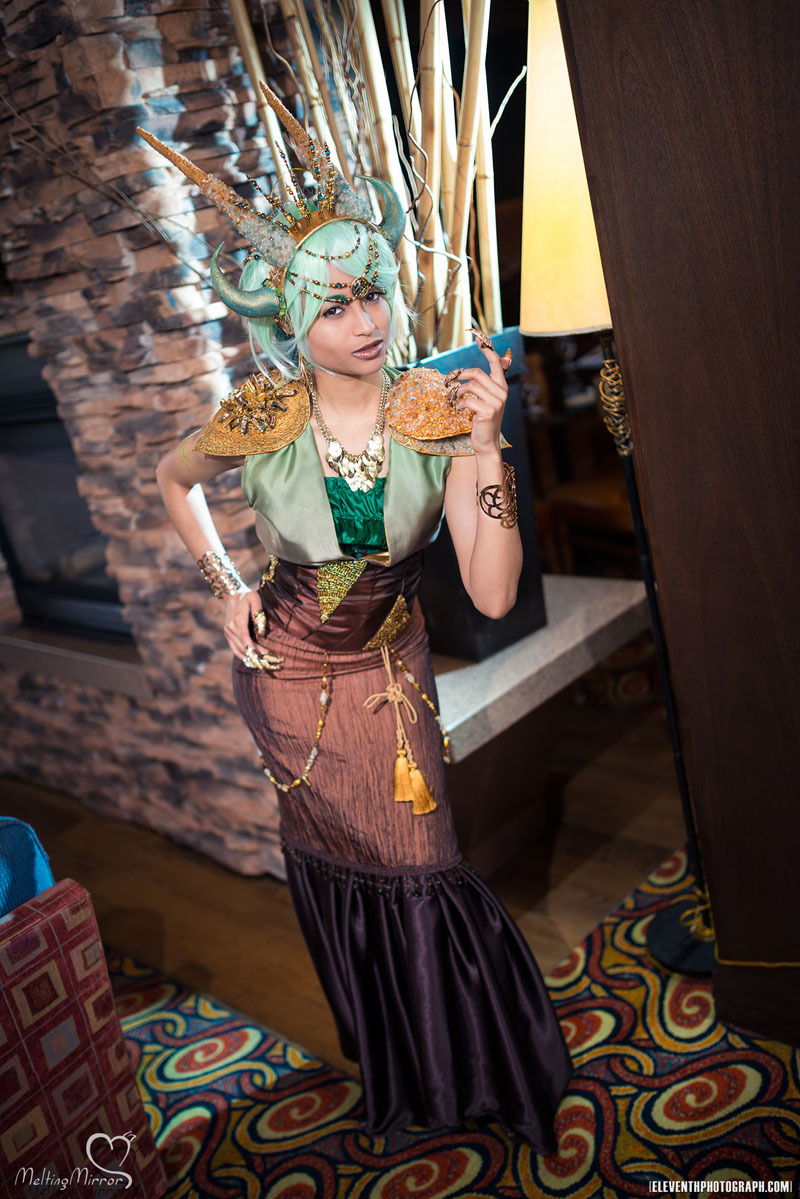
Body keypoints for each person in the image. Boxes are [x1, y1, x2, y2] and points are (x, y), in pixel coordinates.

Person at [142, 84, 571, 1152]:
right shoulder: (260, 412)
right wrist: (226, 585)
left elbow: (491, 593)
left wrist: (484, 446)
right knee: (341, 869)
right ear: (292, 317)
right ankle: (405, 1074)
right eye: (334, 306)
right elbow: (170, 478)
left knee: (423, 864)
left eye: (371, 292)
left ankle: (475, 1071)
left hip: (389, 671)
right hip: (285, 679)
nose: (367, 321)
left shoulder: (432, 409)